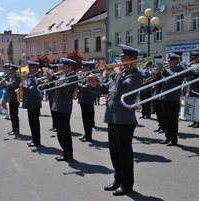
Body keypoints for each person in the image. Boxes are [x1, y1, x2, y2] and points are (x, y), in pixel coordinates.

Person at [87, 45, 143, 196]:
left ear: (132, 59)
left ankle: (126, 184)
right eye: (122, 56)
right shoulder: (120, 73)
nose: (121, 59)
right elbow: (107, 89)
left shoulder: (136, 76)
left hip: (124, 119)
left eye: (124, 57)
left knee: (124, 154)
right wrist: (94, 84)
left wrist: (116, 74)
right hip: (112, 117)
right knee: (114, 152)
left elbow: (121, 90)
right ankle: (117, 179)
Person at [46, 58, 78, 161]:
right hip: (57, 106)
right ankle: (65, 151)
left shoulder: (73, 76)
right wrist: (50, 80)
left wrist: (53, 80)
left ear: (69, 67)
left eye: (63, 66)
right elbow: (53, 87)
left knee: (64, 132)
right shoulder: (63, 75)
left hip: (64, 107)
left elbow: (64, 89)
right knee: (60, 131)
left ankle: (68, 153)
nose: (61, 68)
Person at [158, 53, 185, 146]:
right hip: (165, 98)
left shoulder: (180, 69)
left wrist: (164, 71)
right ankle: (167, 137)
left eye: (170, 61)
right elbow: (164, 82)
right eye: (168, 61)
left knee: (172, 121)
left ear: (175, 61)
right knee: (165, 120)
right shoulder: (169, 70)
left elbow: (174, 77)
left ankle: (173, 140)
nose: (168, 62)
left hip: (173, 99)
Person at [22, 61, 42, 147]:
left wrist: (24, 86)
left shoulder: (37, 77)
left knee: (34, 124)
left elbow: (32, 90)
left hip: (34, 104)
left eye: (30, 68)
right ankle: (34, 140)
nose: (29, 69)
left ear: (34, 68)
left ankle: (36, 141)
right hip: (31, 103)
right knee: (32, 123)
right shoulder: (31, 77)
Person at [78, 61, 95, 142]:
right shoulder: (85, 75)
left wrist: (77, 83)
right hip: (83, 101)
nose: (82, 68)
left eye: (84, 67)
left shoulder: (90, 76)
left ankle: (89, 136)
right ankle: (86, 134)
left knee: (87, 120)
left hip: (87, 101)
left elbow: (85, 88)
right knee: (85, 120)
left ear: (88, 68)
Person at [5, 64, 21, 135]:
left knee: (14, 115)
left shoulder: (16, 77)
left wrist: (6, 83)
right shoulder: (11, 77)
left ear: (14, 70)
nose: (9, 71)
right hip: (11, 98)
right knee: (12, 115)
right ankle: (14, 129)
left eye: (11, 70)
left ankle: (16, 130)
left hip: (15, 99)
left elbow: (12, 86)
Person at [186, 51, 199, 128]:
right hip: (192, 87)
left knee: (197, 106)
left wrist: (191, 70)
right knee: (193, 105)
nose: (194, 59)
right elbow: (187, 76)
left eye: (195, 57)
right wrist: (187, 69)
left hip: (198, 88)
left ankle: (198, 122)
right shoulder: (192, 65)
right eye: (193, 58)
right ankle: (194, 120)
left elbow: (196, 75)